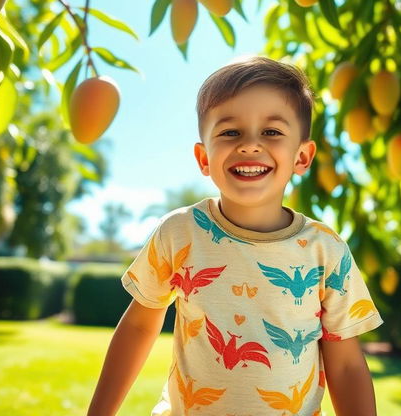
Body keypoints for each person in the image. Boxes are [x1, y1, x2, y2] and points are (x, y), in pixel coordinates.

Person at [86, 55, 383, 416]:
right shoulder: (180, 233)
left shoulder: (326, 251)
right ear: (204, 158)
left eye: (272, 132)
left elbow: (347, 365)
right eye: (230, 132)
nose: (249, 144)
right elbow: (137, 327)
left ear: (302, 157)